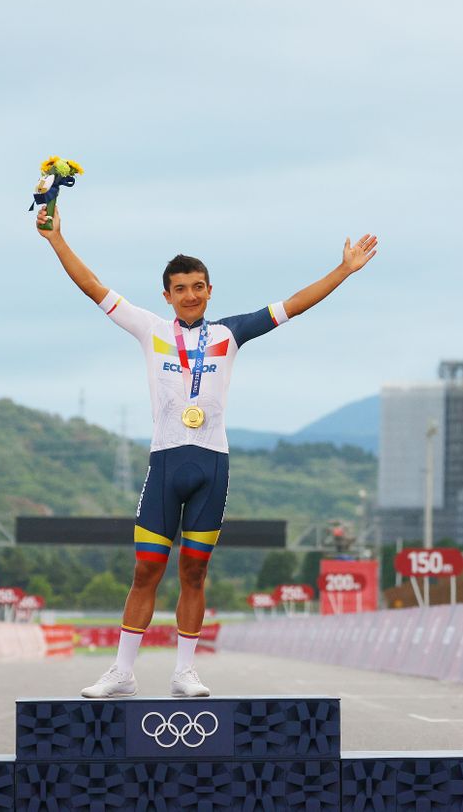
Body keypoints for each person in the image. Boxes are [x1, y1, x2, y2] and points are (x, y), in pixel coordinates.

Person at [36, 203, 377, 698]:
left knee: (194, 571)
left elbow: (294, 305)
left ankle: (184, 672)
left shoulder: (230, 333)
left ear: (209, 290)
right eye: (180, 288)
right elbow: (92, 286)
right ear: (167, 295)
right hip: (165, 462)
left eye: (198, 287)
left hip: (211, 465)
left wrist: (343, 270)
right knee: (146, 569)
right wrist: (56, 239)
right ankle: (123, 672)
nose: (190, 295)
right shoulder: (149, 328)